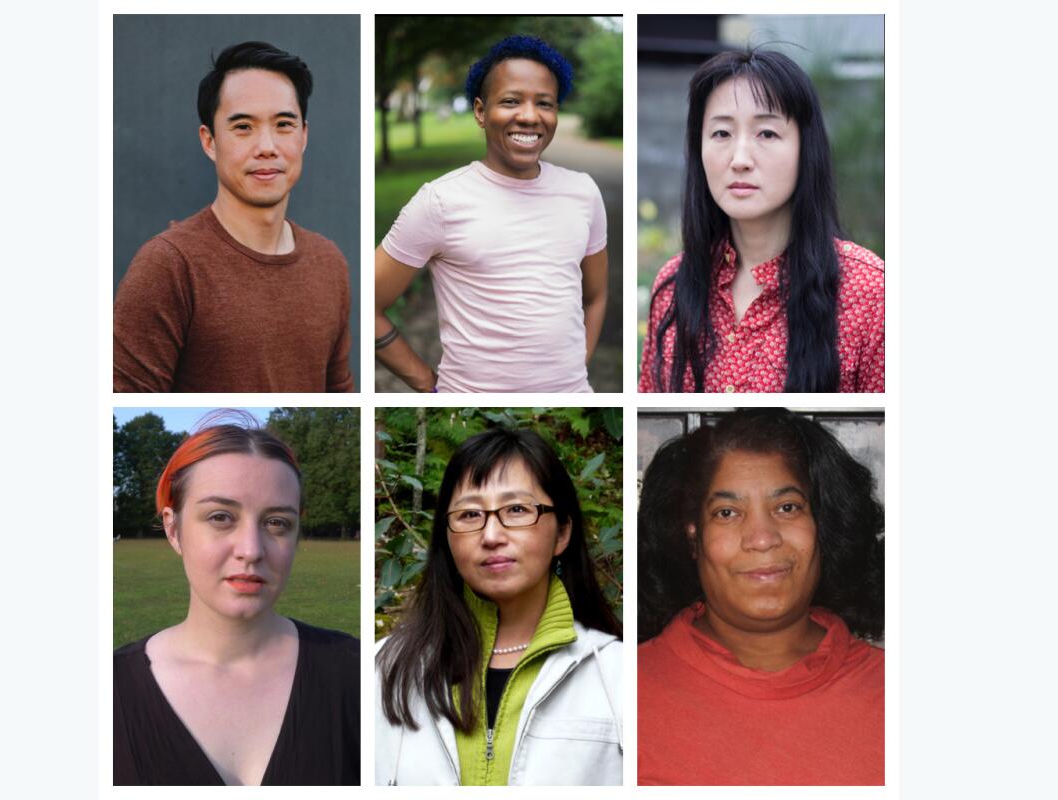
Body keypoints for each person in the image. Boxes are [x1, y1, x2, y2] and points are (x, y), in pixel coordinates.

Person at [637, 408, 884, 785]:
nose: (762, 538)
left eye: (787, 508)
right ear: (692, 535)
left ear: (825, 525)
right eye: (727, 512)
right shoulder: (620, 691)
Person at [113, 416, 359, 785]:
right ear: (173, 528)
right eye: (221, 517)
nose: (251, 550)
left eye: (276, 523)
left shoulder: (358, 674)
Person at [375, 428, 623, 784]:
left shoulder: (618, 676)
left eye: (518, 509)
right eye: (470, 515)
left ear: (562, 532)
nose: (491, 536)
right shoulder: (383, 671)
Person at [639, 49, 884, 393]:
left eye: (766, 134)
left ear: (805, 148)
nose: (740, 159)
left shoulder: (869, 293)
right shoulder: (674, 286)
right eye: (722, 134)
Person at [114, 41, 353, 393]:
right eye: (243, 127)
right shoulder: (168, 266)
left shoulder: (329, 262)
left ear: (303, 135)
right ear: (209, 141)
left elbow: (341, 393)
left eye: (284, 124)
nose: (267, 146)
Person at [375, 35, 609, 393]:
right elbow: (365, 304)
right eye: (511, 101)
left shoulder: (583, 192)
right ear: (481, 112)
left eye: (544, 103)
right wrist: (425, 382)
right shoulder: (440, 201)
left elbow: (595, 296)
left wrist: (576, 372)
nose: (530, 116)